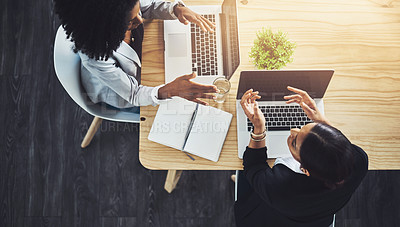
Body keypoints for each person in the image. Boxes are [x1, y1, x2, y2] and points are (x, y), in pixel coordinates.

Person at [234, 86, 368, 227]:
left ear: (305, 170)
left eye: (294, 142)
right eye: (309, 125)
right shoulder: (359, 162)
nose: (292, 130)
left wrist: (259, 128)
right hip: (318, 219)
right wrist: (321, 122)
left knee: (245, 177)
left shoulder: (279, 187)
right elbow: (341, 145)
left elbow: (254, 165)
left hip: (267, 218)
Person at [54, 0, 218, 108]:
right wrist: (169, 91)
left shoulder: (124, 4)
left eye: (137, 12)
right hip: (123, 92)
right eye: (128, 21)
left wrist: (176, 9)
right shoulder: (96, 57)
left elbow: (150, 6)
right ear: (106, 25)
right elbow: (133, 94)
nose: (140, 21)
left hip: (142, 61)